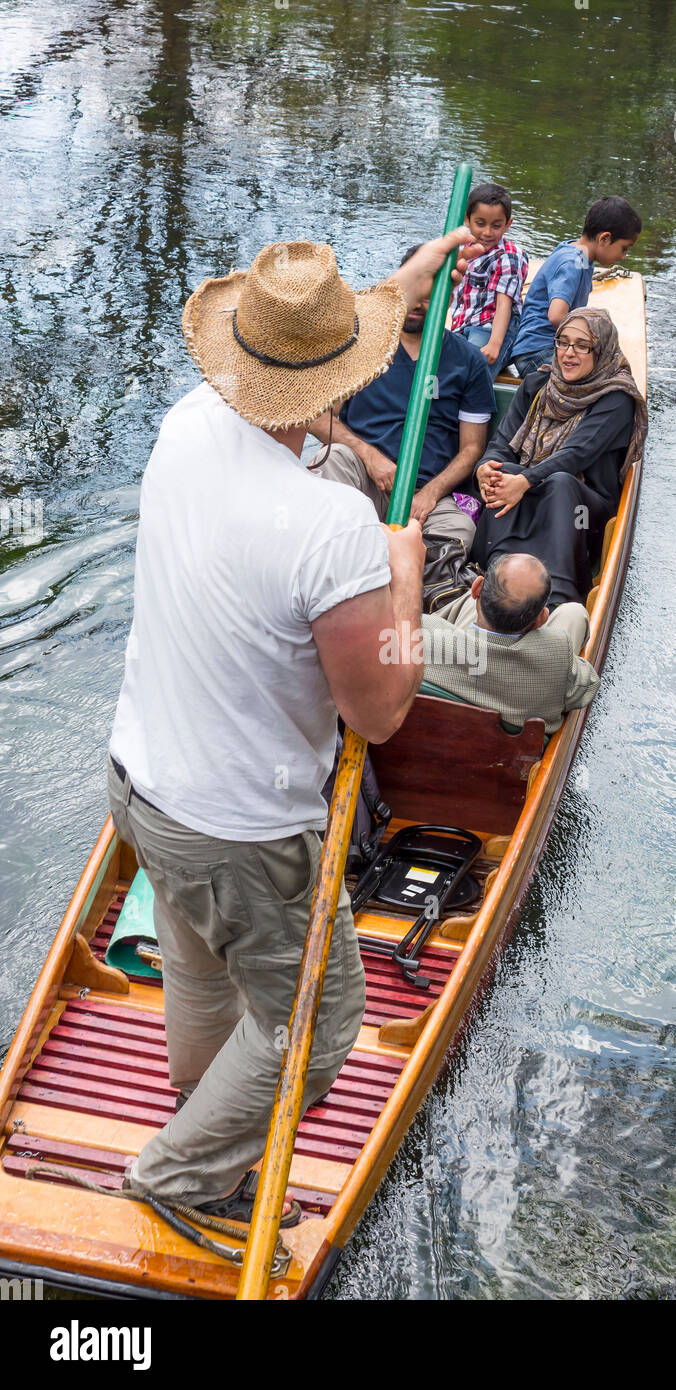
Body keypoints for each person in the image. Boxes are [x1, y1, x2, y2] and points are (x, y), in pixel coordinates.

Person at [106, 230, 475, 1224]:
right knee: (318, 1023)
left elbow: (313, 362)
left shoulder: (186, 422)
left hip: (141, 785)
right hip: (240, 830)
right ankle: (179, 1175)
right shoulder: (332, 529)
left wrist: (403, 287)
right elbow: (381, 709)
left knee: (196, 968)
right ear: (338, 384)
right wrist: (402, 571)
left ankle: (203, 1119)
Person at [308, 246, 496, 557]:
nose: (417, 304)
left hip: (428, 494)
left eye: (429, 295)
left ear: (448, 298)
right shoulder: (361, 345)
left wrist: (431, 494)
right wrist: (369, 457)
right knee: (332, 460)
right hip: (365, 479)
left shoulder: (469, 361)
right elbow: (317, 417)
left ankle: (394, 574)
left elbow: (471, 449)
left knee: (461, 531)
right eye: (413, 292)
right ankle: (343, 560)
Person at [472, 307, 648, 607]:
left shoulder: (616, 398)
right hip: (532, 491)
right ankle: (492, 576)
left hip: (584, 512)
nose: (569, 353)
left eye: (582, 346)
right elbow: (502, 441)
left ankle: (560, 593)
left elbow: (577, 454)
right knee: (505, 470)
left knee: (559, 482)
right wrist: (484, 467)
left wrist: (525, 480)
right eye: (562, 342)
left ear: (601, 350)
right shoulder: (538, 384)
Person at [422, 554, 599, 734]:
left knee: (468, 604)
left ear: (476, 588)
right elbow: (589, 684)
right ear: (541, 620)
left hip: (435, 731)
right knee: (575, 613)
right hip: (511, 753)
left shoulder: (422, 635)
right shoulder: (557, 653)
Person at [510, 196, 642, 378]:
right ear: (604, 238)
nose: (624, 256)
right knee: (599, 379)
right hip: (537, 351)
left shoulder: (579, 253)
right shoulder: (572, 263)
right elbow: (556, 315)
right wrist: (591, 339)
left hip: (547, 347)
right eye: (624, 248)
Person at [449, 182, 529, 380]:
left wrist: (495, 343)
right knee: (438, 367)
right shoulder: (463, 250)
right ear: (468, 220)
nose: (487, 232)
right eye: (481, 223)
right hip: (463, 325)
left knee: (471, 373)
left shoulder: (508, 256)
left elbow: (504, 305)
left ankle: (473, 409)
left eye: (496, 226)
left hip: (492, 327)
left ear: (507, 224)